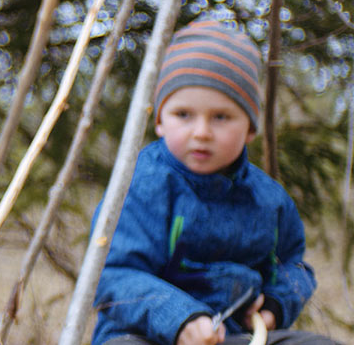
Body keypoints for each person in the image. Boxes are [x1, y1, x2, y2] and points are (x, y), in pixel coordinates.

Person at [91, 20, 339, 345]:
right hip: (143, 336)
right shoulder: (141, 185)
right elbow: (113, 274)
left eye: (221, 117)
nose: (202, 132)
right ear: (159, 120)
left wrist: (275, 305)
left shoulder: (269, 199)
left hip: (234, 337)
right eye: (183, 114)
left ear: (250, 128)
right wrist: (179, 318)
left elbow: (294, 266)